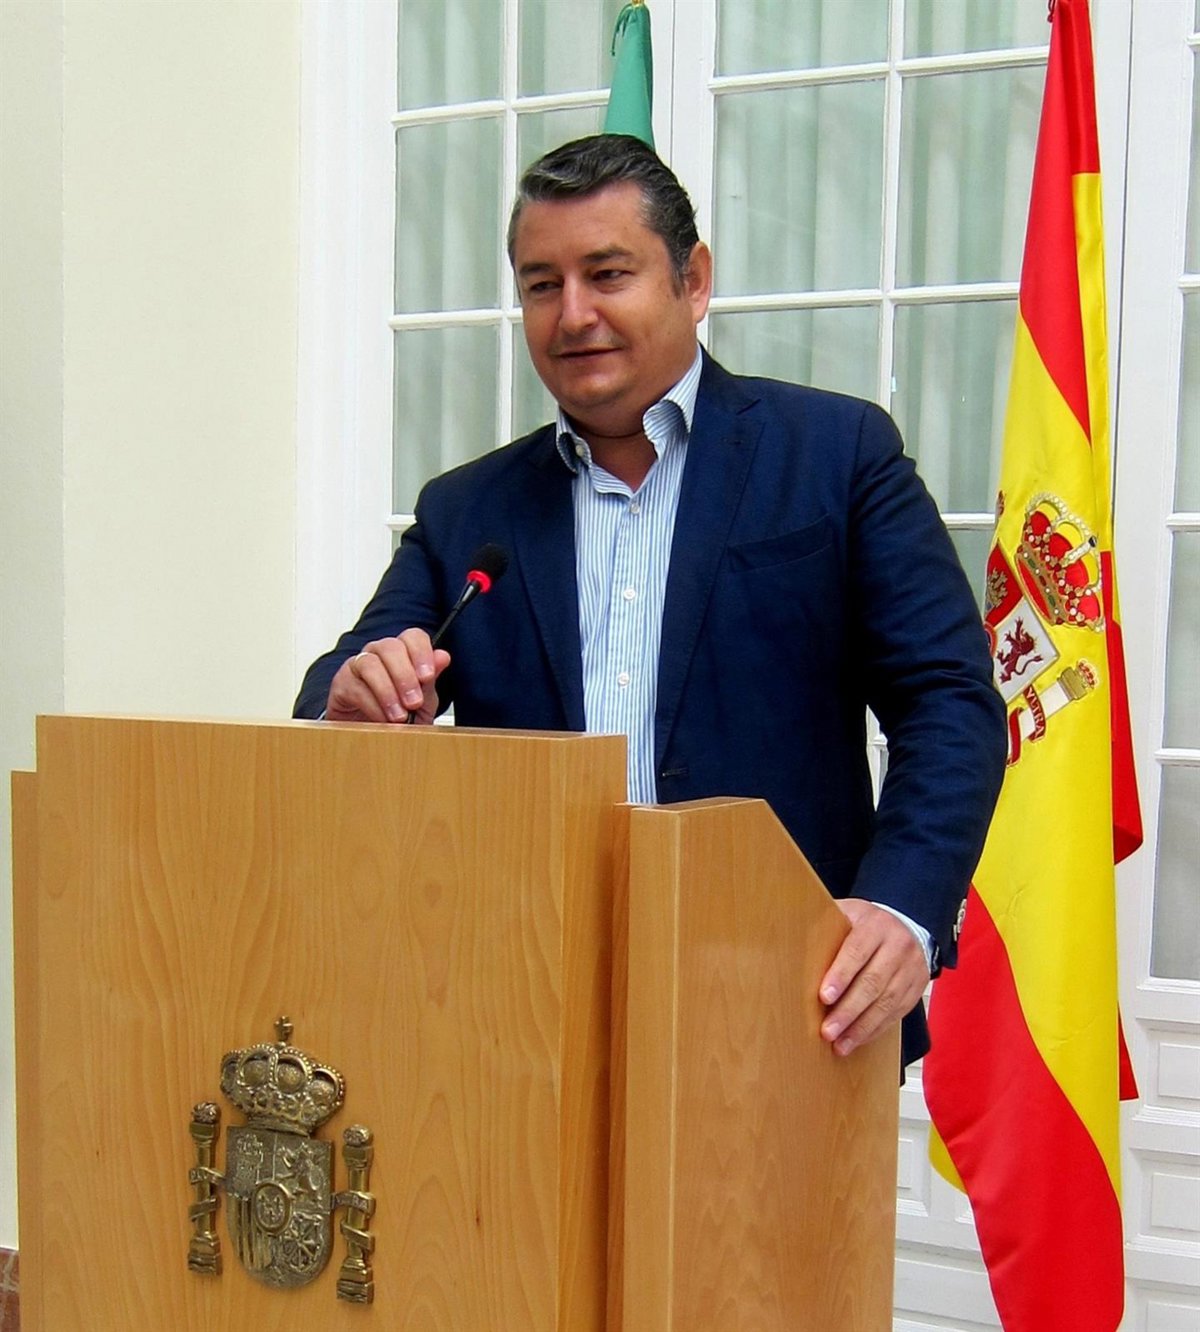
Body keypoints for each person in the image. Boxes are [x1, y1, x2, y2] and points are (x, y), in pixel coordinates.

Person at [295, 134, 1007, 1069]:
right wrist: (352, 703)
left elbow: (948, 701)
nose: (573, 314)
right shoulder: (469, 509)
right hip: (522, 1011)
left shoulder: (837, 456)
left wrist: (901, 906)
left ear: (693, 280)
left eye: (607, 274)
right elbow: (338, 690)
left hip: (789, 997)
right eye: (542, 285)